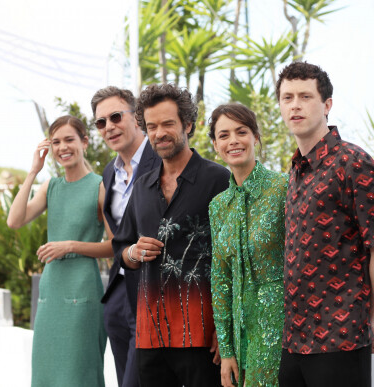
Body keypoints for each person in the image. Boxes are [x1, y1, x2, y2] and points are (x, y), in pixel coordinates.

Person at [275, 61, 374, 387]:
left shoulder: (354, 163)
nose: (295, 105)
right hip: (294, 342)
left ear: (327, 105)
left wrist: (367, 319)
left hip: (339, 341)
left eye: (305, 96)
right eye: (287, 98)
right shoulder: (296, 170)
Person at [112, 83, 229, 387]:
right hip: (151, 335)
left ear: (188, 125)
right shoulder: (141, 186)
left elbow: (231, 257)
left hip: (201, 334)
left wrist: (224, 328)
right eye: (151, 126)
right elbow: (121, 249)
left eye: (167, 124)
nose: (159, 133)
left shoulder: (218, 179)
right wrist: (134, 253)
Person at [7, 115, 112, 387]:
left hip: (83, 290)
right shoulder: (50, 186)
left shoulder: (100, 186)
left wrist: (71, 245)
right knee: (46, 373)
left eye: (69, 139)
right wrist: (33, 171)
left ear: (84, 142)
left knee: (79, 372)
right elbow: (14, 221)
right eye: (56, 142)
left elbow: (115, 245)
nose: (62, 147)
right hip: (51, 291)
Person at [208, 103, 287, 387]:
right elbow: (220, 279)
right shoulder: (218, 206)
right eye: (224, 135)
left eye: (241, 132)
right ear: (215, 145)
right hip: (241, 338)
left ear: (256, 136)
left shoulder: (283, 188)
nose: (233, 141)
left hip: (281, 332)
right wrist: (227, 351)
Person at [92, 86, 161, 387]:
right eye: (101, 122)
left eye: (116, 117)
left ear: (137, 118)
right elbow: (117, 234)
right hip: (120, 289)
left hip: (157, 287)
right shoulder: (109, 172)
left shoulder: (163, 157)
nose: (109, 127)